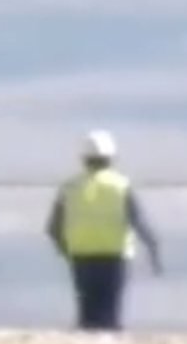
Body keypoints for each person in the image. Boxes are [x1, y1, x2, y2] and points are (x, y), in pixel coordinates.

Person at [45, 130, 163, 332]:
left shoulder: (70, 187)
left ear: (84, 159)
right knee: (110, 313)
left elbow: (53, 228)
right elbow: (138, 222)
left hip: (81, 255)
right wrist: (153, 250)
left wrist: (65, 250)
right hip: (114, 255)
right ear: (111, 158)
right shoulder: (120, 185)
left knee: (86, 312)